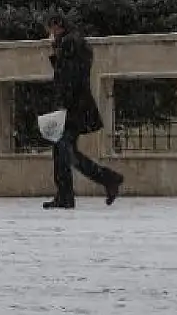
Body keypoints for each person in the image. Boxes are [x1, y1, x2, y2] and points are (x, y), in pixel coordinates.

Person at [43, 13, 123, 210]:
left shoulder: (70, 43)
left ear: (58, 26)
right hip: (77, 106)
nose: (50, 33)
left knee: (65, 151)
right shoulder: (74, 42)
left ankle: (108, 179)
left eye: (51, 29)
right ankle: (66, 196)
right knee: (62, 151)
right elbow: (70, 72)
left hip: (73, 107)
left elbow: (68, 76)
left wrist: (62, 104)